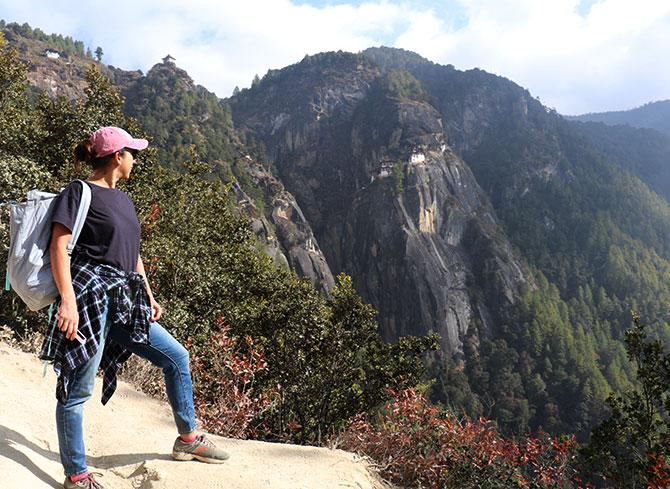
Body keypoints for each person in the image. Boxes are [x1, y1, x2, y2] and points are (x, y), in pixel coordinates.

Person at [39, 126, 229, 489]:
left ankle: (188, 439)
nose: (135, 159)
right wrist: (68, 301)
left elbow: (132, 254)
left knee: (176, 358)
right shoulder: (79, 193)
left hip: (126, 301)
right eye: (132, 153)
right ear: (116, 157)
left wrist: (149, 295)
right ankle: (77, 475)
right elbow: (58, 248)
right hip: (90, 302)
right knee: (77, 388)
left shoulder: (124, 201)